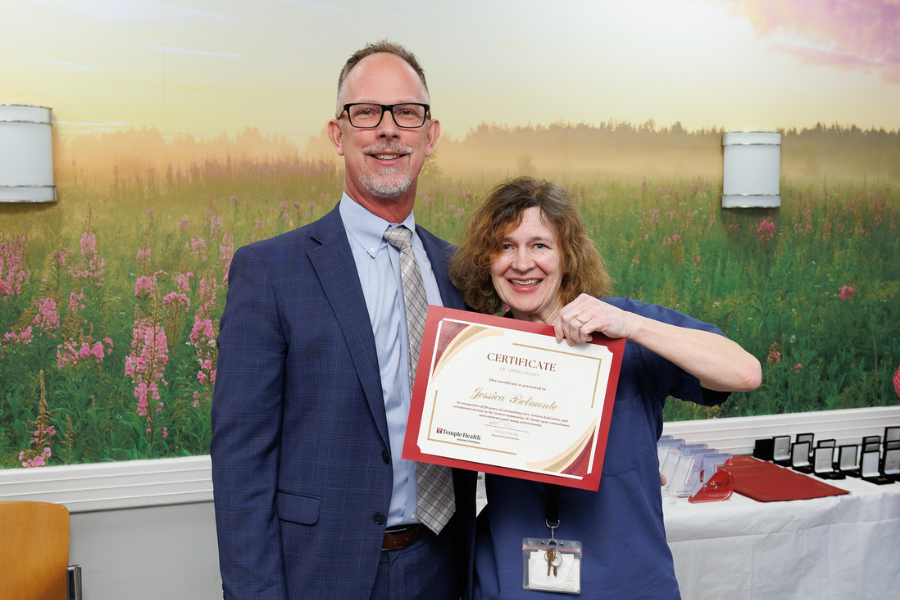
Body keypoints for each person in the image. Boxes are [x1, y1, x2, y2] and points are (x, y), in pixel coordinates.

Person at [210, 41, 476, 600]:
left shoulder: (461, 274)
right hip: (322, 572)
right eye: (366, 113)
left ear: (430, 136)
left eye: (407, 113)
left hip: (446, 568)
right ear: (337, 134)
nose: (388, 130)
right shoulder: (270, 271)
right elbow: (241, 462)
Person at [449, 177, 762, 599]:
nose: (522, 263)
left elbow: (744, 373)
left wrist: (630, 326)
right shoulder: (476, 350)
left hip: (627, 583)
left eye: (540, 245)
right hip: (508, 582)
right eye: (505, 246)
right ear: (487, 261)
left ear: (567, 256)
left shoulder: (624, 330)